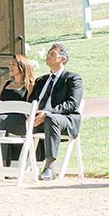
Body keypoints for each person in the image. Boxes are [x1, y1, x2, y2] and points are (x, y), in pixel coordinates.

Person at [33, 43, 85, 180]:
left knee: (51, 118)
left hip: (65, 120)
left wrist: (47, 113)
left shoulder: (73, 79)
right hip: (38, 119)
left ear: (62, 59)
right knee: (2, 120)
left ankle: (49, 167)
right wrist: (31, 114)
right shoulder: (40, 81)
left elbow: (72, 104)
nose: (48, 56)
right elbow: (32, 102)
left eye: (52, 54)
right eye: (48, 53)